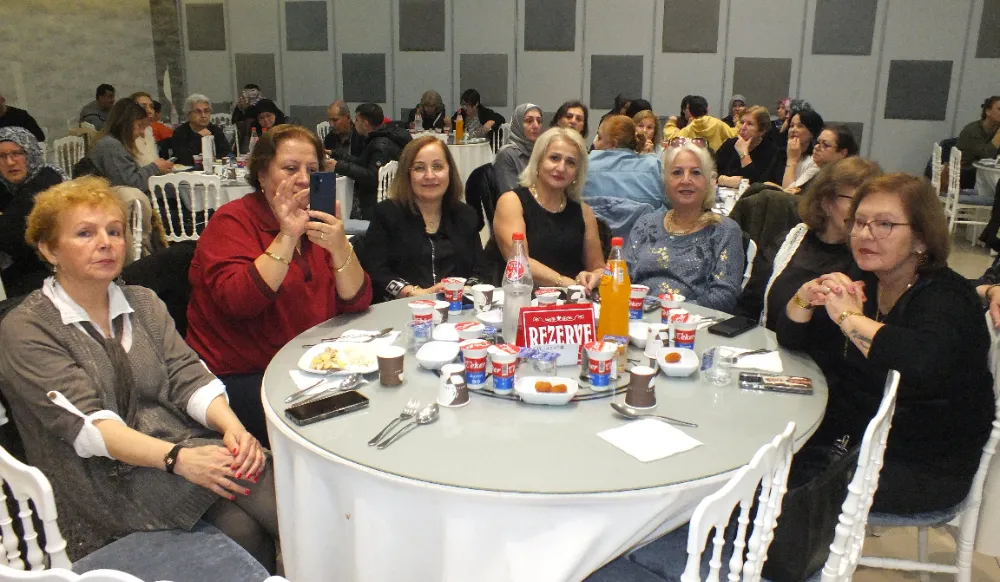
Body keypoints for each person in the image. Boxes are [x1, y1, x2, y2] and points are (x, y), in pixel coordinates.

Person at [0, 177, 279, 569]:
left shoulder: (143, 302)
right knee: (262, 504)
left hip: (174, 451)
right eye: (85, 233)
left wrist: (232, 428)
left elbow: (187, 374)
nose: (106, 243)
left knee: (254, 504)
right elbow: (89, 428)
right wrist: (178, 458)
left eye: (114, 231)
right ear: (49, 249)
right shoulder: (28, 328)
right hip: (100, 480)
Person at [778, 173, 994, 513]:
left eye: (885, 224)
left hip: (922, 463)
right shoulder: (865, 277)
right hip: (853, 439)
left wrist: (849, 318)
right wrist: (805, 297)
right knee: (758, 459)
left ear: (921, 238)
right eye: (860, 222)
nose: (866, 234)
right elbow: (793, 340)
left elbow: (919, 362)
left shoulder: (946, 297)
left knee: (775, 493)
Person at [186, 125, 372, 446]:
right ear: (261, 175)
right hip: (243, 376)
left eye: (312, 170)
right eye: (290, 168)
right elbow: (238, 303)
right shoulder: (232, 222)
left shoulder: (316, 220)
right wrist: (287, 236)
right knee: (340, 431)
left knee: (379, 398)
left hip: (308, 367)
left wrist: (340, 245)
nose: (303, 179)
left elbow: (357, 300)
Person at [737, 157, 883, 329]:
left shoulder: (870, 259)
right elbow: (748, 307)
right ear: (826, 203)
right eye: (856, 200)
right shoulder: (789, 242)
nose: (863, 211)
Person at [358, 136, 489, 301]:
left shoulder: (466, 215)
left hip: (458, 308)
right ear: (407, 174)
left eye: (437, 166)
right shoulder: (386, 214)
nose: (429, 175)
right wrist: (416, 293)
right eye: (419, 168)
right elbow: (376, 272)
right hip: (402, 307)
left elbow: (481, 270)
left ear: (449, 171)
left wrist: (465, 290)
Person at [625, 139, 744, 311]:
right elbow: (622, 278)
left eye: (696, 173)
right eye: (677, 173)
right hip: (637, 317)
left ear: (709, 181)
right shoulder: (646, 223)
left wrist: (669, 312)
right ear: (665, 181)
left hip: (692, 322)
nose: (686, 180)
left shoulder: (724, 231)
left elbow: (724, 297)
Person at [493, 127, 605, 288]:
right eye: (554, 158)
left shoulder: (584, 211)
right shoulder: (512, 202)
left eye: (571, 162)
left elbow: (598, 268)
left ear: (577, 173)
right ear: (538, 161)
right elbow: (519, 261)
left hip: (572, 298)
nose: (561, 168)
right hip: (523, 296)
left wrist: (594, 277)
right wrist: (564, 282)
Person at [0, 127, 67, 297]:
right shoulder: (12, 186)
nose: (10, 162)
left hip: (57, 273)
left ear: (31, 154)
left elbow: (8, 235)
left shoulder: (45, 180)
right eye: (2, 156)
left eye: (17, 153)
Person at [329, 103, 412, 220]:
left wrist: (339, 166)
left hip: (372, 202)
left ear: (365, 124)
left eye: (357, 119)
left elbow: (371, 177)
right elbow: (362, 162)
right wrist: (334, 154)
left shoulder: (380, 144)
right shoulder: (381, 137)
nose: (354, 123)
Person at [88, 99, 173, 191]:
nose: (141, 132)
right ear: (125, 124)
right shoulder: (111, 145)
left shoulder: (113, 143)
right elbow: (130, 185)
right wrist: (155, 167)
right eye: (139, 125)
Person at [583, 115, 664, 209]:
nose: (595, 143)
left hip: (594, 218)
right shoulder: (653, 164)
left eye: (599, 138)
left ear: (613, 144)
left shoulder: (586, 164)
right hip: (646, 218)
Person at [716, 105, 779, 187]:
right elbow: (710, 171)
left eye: (749, 124)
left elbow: (756, 183)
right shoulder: (730, 143)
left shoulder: (771, 151)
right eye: (742, 122)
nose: (743, 127)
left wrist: (744, 154)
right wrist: (724, 180)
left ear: (762, 131)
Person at [766, 109, 824, 193]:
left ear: (812, 133)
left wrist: (792, 160)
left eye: (800, 126)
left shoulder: (815, 160)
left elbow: (791, 194)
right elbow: (764, 181)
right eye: (791, 126)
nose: (793, 130)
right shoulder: (782, 152)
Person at [169, 94, 233, 166]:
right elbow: (182, 159)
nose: (203, 115)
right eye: (198, 112)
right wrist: (198, 137)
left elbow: (228, 154)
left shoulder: (215, 129)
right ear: (188, 114)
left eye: (206, 111)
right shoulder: (180, 132)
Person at [493, 103, 543, 194]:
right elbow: (510, 194)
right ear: (518, 124)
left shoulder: (540, 151)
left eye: (539, 121)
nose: (536, 125)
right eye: (529, 121)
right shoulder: (507, 154)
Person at [662, 95, 738, 152]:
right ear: (707, 109)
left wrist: (671, 122)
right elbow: (734, 134)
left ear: (690, 111)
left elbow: (672, 137)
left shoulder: (690, 128)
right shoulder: (717, 123)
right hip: (715, 162)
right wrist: (738, 122)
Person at [956, 96, 1000, 171]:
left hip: (989, 171)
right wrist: (998, 136)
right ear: (988, 111)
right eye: (999, 109)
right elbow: (986, 157)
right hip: (966, 171)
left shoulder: (997, 128)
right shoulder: (971, 130)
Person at [129, 92, 160, 166]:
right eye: (143, 106)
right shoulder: (128, 134)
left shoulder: (148, 130)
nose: (150, 111)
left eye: (151, 107)